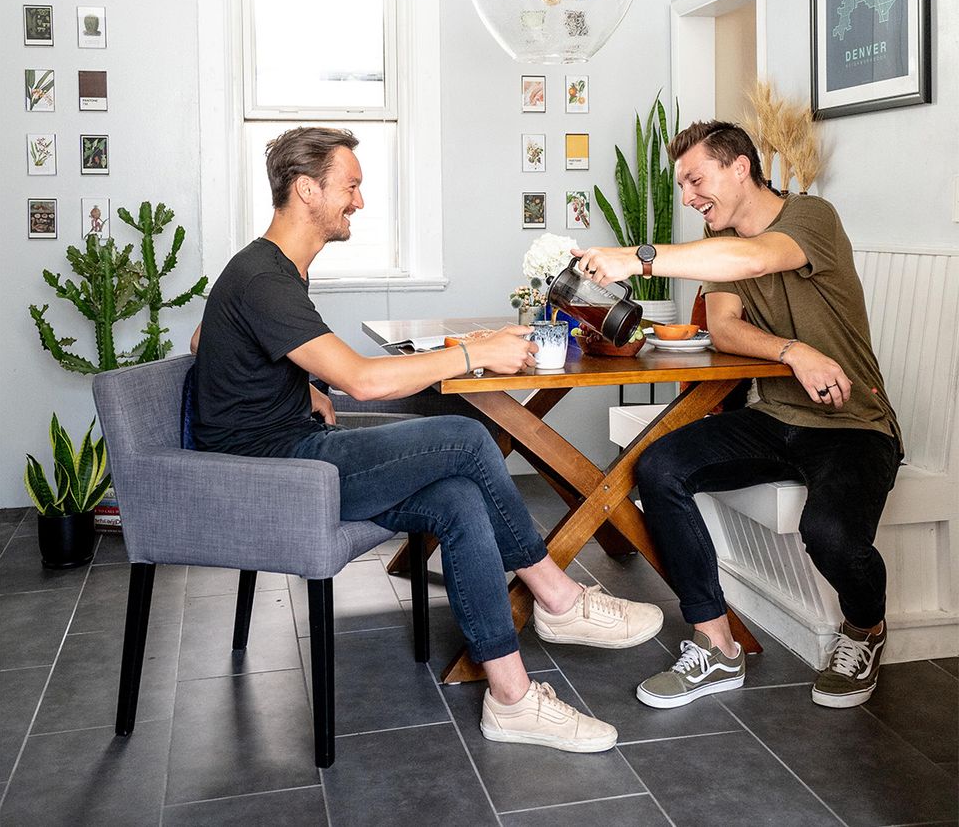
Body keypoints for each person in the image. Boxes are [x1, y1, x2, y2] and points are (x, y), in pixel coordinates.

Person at [192, 125, 664, 753]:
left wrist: (299, 380)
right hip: (276, 473)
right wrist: (475, 351)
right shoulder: (265, 277)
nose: (358, 201)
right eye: (351, 187)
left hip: (289, 446)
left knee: (458, 500)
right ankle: (557, 596)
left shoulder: (266, 270)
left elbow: (205, 343)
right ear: (306, 190)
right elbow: (362, 380)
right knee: (467, 438)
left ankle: (512, 699)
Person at [574, 119, 901, 711]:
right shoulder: (713, 246)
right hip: (774, 415)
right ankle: (715, 642)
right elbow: (724, 324)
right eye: (681, 185)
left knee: (828, 534)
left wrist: (637, 258)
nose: (689, 196)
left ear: (740, 167)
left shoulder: (812, 217)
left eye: (696, 178)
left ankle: (866, 630)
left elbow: (753, 262)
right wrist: (792, 350)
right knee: (660, 467)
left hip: (852, 421)